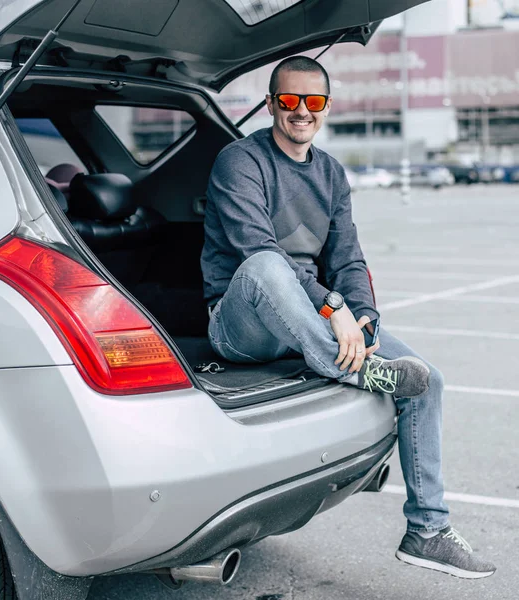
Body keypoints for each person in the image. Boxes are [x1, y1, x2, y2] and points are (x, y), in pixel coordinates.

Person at [200, 56, 496, 579]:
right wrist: (331, 309)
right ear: (270, 104)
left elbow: (348, 259)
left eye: (312, 102)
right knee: (268, 265)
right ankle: (353, 371)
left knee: (427, 381)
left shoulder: (331, 172)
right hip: (241, 324)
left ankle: (427, 530)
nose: (300, 112)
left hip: (307, 327)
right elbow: (258, 249)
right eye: (288, 101)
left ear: (326, 107)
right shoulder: (239, 161)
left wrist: (363, 321)